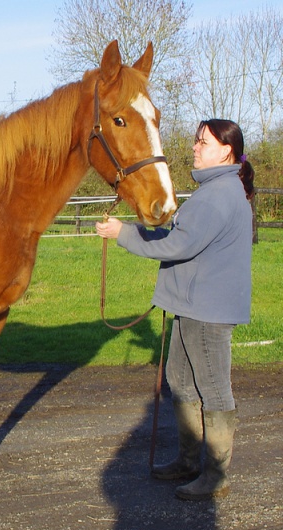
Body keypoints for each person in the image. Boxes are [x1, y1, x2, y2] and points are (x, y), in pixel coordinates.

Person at [96, 119, 255, 501]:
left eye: (204, 142)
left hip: (206, 309)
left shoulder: (218, 194)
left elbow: (177, 248)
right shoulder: (216, 190)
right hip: (193, 303)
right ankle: (188, 460)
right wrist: (135, 230)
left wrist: (125, 235)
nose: (196, 147)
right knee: (181, 380)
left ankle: (215, 475)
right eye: (197, 140)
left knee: (213, 388)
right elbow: (179, 239)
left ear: (226, 151)